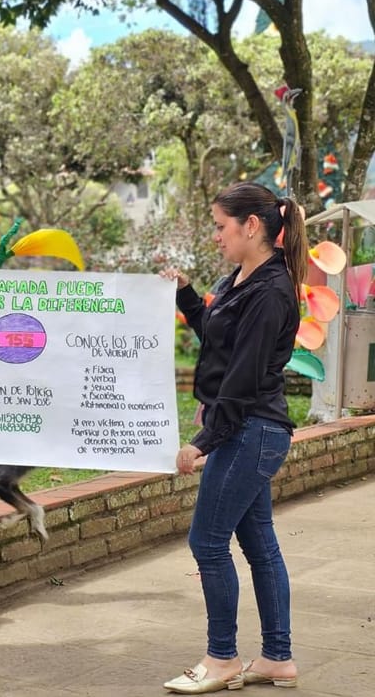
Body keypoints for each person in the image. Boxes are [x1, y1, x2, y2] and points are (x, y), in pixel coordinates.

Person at [160, 182, 306, 694]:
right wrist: (185, 292)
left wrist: (202, 442)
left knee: (206, 541)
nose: (216, 235)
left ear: (252, 225)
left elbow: (242, 379)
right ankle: (277, 659)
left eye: (221, 226)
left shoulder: (270, 291)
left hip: (250, 431)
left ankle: (222, 658)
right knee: (260, 545)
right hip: (250, 430)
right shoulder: (243, 278)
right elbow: (219, 338)